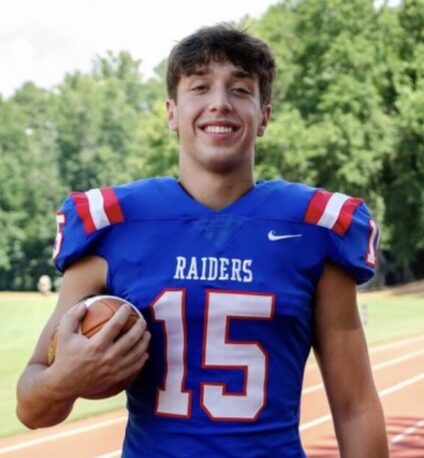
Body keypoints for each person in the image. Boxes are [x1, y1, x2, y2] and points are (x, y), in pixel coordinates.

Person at [17, 24, 389, 457]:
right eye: (200, 86)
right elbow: (32, 406)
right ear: (171, 112)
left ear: (263, 116)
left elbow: (355, 405)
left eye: (240, 89)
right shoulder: (113, 225)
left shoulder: (313, 228)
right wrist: (66, 378)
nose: (219, 103)